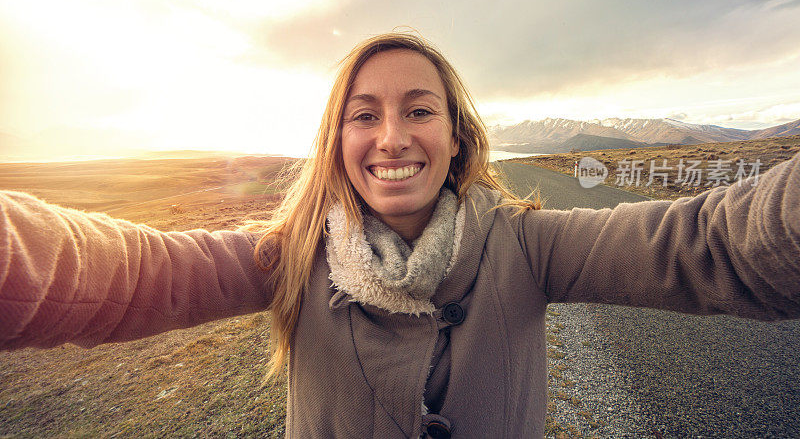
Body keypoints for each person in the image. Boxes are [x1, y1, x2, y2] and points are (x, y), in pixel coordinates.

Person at [1, 32, 799, 439]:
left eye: (419, 109)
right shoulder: (289, 256)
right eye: (364, 113)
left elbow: (711, 245)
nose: (392, 136)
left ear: (456, 135)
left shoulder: (527, 244)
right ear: (336, 141)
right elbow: (130, 273)